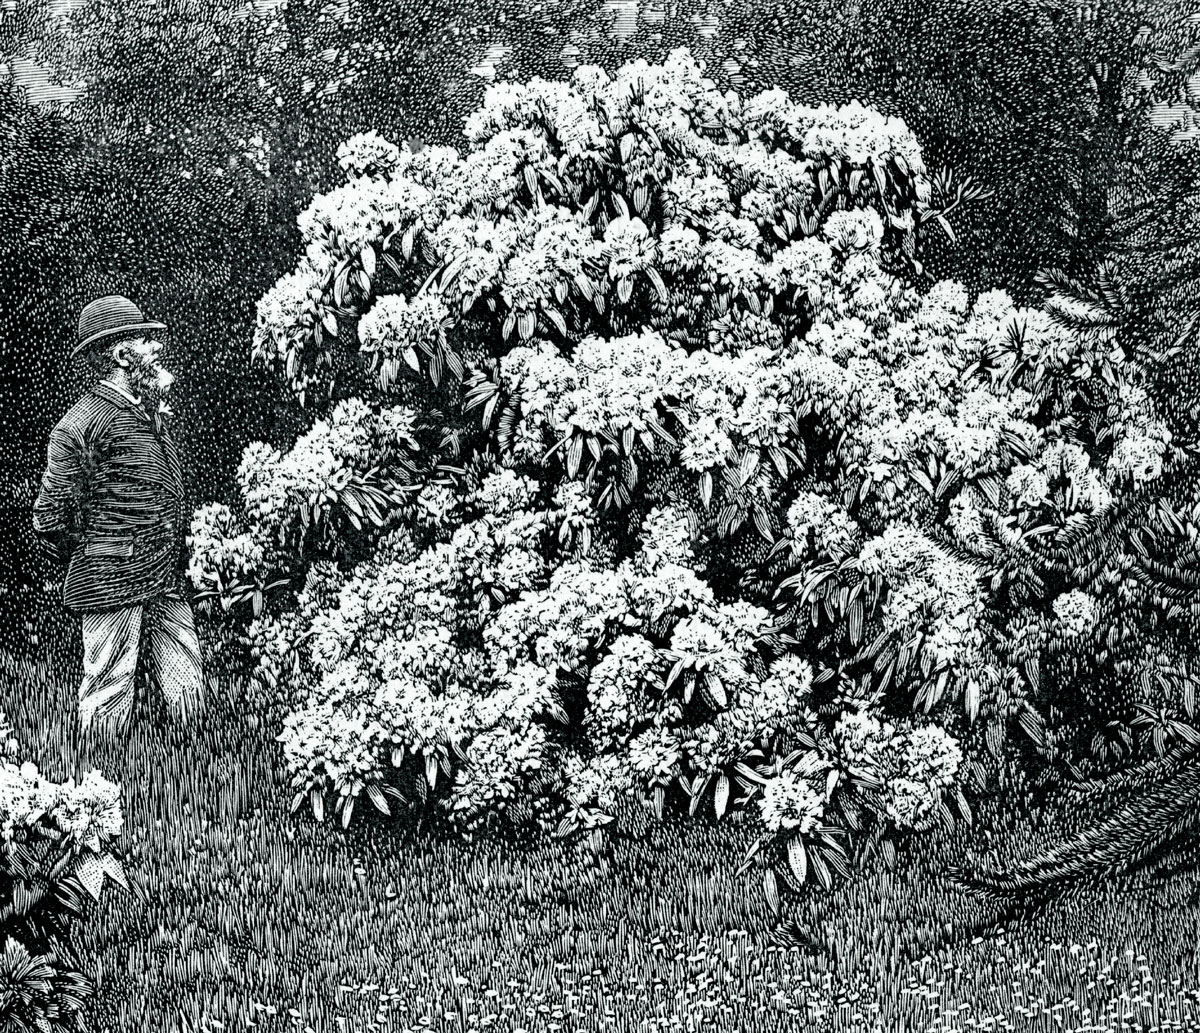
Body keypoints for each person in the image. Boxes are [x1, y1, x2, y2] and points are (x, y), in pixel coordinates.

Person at [32, 295, 204, 738]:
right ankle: (98, 777)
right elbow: (50, 518)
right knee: (110, 683)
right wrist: (101, 551)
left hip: (164, 570)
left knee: (186, 675)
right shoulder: (80, 424)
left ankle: (196, 757)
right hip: (111, 576)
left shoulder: (145, 412)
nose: (157, 348)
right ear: (123, 354)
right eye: (147, 340)